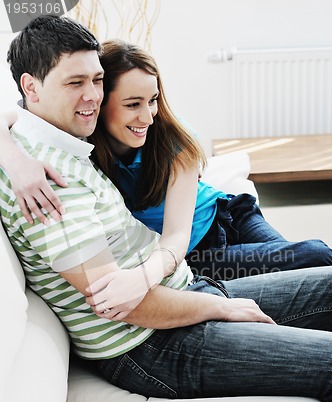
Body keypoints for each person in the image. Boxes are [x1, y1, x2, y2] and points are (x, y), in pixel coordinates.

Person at [1, 15, 332, 402]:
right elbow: (125, 305)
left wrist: (12, 155)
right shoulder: (51, 182)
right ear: (30, 88)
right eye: (75, 83)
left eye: (96, 80)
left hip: (182, 291)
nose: (92, 96)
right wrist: (223, 307)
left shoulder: (51, 144)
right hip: (152, 344)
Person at [1, 40, 331, 282]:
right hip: (196, 255)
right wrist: (16, 163)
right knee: (315, 258)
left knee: (313, 267)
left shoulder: (173, 138)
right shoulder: (81, 144)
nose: (148, 116)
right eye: (132, 104)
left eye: (153, 100)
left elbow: (176, 228)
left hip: (230, 215)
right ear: (101, 103)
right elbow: (9, 113)